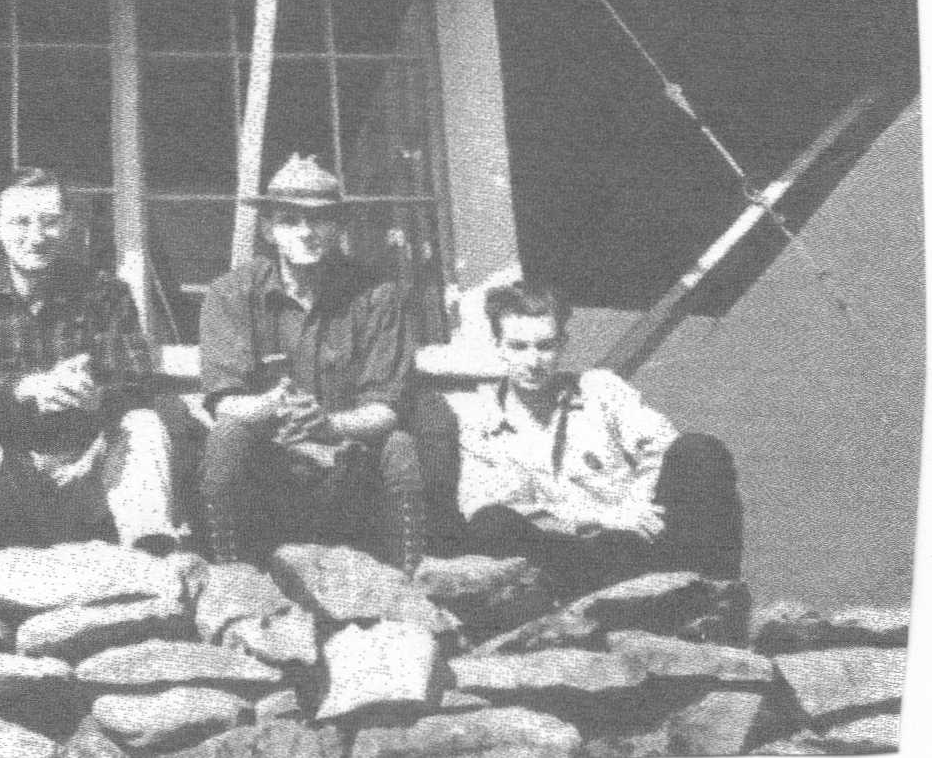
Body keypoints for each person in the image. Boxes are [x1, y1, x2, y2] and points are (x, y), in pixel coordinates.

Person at [0, 167, 179, 569]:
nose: (36, 236)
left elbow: (138, 378)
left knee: (142, 423)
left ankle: (151, 557)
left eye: (50, 221)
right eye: (21, 222)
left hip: (87, 474)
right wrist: (26, 386)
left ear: (67, 224)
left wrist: (96, 395)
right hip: (8, 475)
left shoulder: (104, 291)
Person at [197, 154, 425, 571]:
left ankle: (409, 578)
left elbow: (386, 409)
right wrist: (271, 406)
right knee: (226, 439)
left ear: (339, 226)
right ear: (268, 229)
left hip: (349, 470)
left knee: (400, 447)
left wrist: (328, 425)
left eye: (319, 219)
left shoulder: (377, 295)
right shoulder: (231, 293)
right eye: (289, 220)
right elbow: (224, 402)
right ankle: (231, 575)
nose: (306, 233)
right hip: (268, 472)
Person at [450, 281, 743, 596]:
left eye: (545, 346)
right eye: (518, 347)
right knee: (492, 522)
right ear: (498, 346)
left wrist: (636, 504)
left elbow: (663, 451)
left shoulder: (600, 390)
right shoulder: (479, 422)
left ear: (563, 343)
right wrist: (601, 518)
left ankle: (718, 597)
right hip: (567, 559)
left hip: (639, 542)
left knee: (699, 451)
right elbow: (486, 509)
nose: (533, 362)